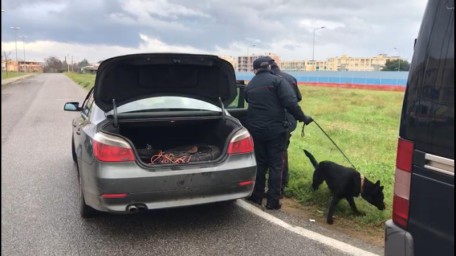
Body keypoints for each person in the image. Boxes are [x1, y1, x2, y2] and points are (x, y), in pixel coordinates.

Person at [244, 56, 313, 210]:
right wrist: (303, 118)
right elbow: (291, 103)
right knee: (276, 165)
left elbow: (247, 99)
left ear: (254, 70)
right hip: (275, 131)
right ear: (269, 67)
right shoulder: (278, 81)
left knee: (260, 163)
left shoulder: (250, 85)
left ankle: (256, 196)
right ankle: (273, 201)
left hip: (255, 130)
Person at [264, 56, 302, 197]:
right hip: (289, 122)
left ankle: (275, 188)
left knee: (272, 155)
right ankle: (281, 184)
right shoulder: (290, 78)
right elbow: (297, 99)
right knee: (282, 152)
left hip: (274, 122)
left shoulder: (268, 79)